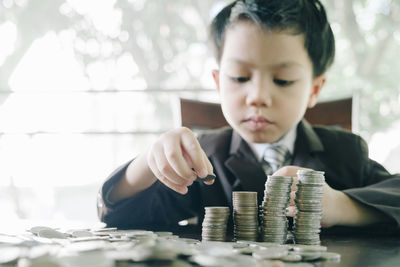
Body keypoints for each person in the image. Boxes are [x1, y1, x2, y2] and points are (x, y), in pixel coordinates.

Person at [97, 0, 400, 231]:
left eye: (283, 80)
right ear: (218, 82)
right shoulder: (204, 158)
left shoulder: (345, 152)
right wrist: (148, 163)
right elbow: (118, 214)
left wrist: (338, 205)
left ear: (314, 89)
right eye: (240, 77)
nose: (257, 96)